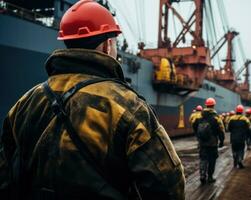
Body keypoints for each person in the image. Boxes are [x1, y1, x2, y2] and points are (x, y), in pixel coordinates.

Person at [0, 1, 185, 199]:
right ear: (108, 45)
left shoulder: (25, 103)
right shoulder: (128, 106)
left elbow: (5, 174)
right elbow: (169, 186)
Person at [193, 97, 225, 184]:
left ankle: (202, 175)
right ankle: (210, 177)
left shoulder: (199, 116)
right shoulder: (216, 117)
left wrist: (198, 136)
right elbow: (221, 130)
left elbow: (194, 126)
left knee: (203, 159)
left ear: (206, 105)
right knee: (212, 160)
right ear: (213, 105)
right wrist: (221, 141)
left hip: (202, 143)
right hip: (212, 143)